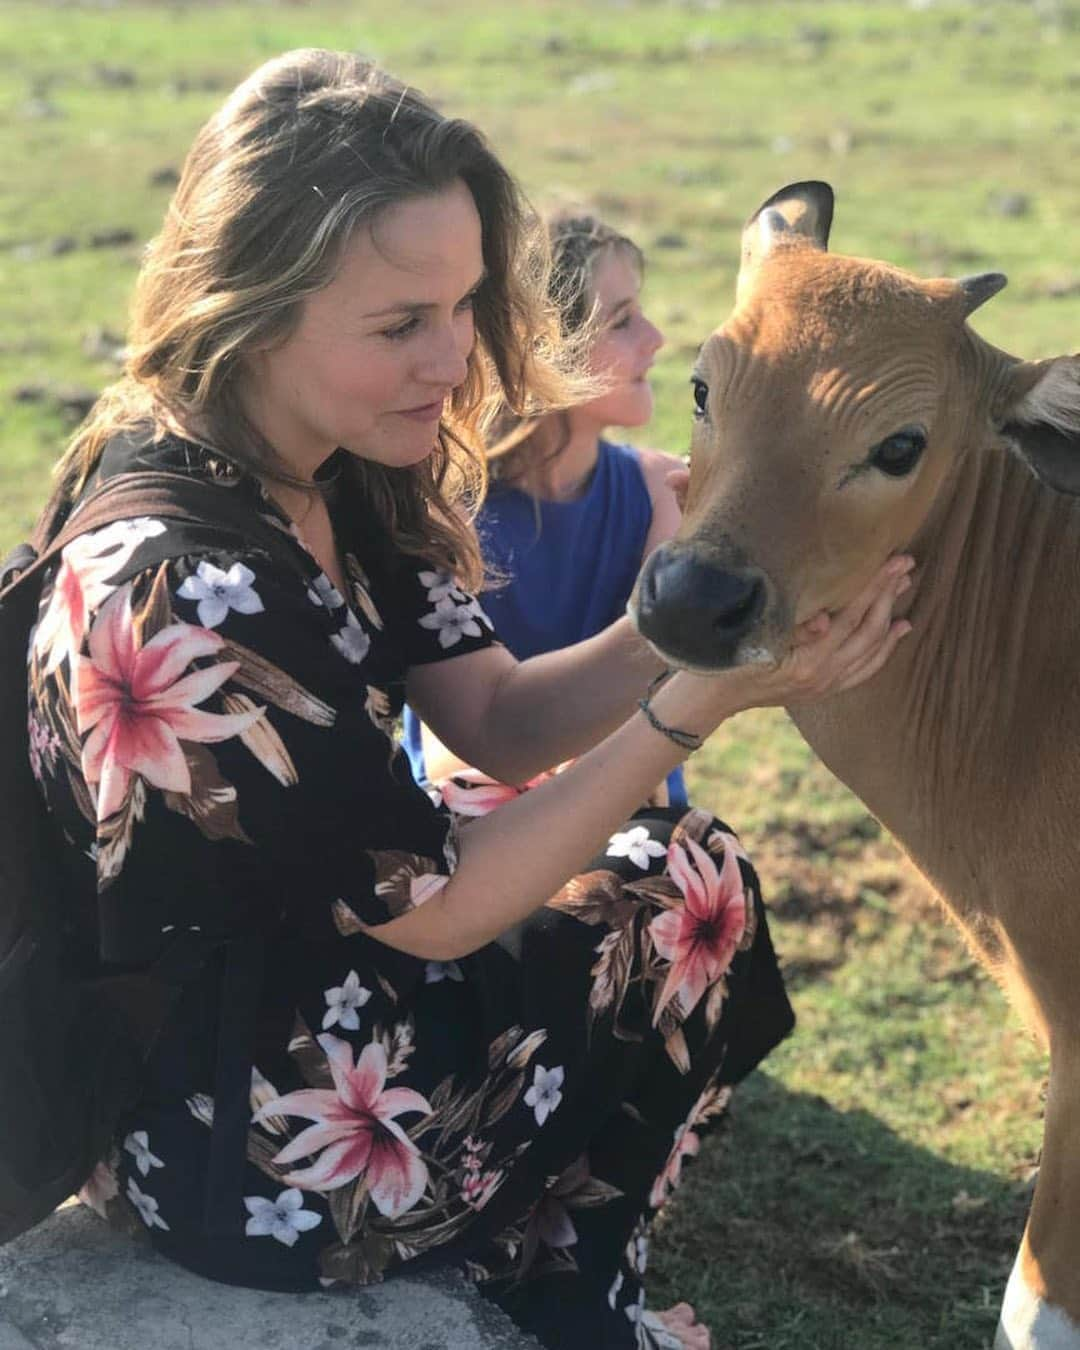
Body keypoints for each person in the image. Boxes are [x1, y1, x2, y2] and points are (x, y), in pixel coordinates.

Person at [26, 50, 912, 1350]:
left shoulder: (323, 458)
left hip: (281, 1036)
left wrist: (682, 621)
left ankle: (545, 1261)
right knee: (689, 884)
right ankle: (576, 1294)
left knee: (587, 829)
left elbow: (493, 712)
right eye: (402, 324)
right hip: (260, 1155)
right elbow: (437, 914)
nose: (454, 360)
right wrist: (694, 707)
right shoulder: (194, 585)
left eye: (461, 304)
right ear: (253, 304)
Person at [403, 212, 690, 812]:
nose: (656, 338)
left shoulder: (667, 490)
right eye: (622, 320)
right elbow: (451, 760)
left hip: (639, 817)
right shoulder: (441, 512)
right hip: (479, 832)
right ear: (540, 350)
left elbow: (674, 702)